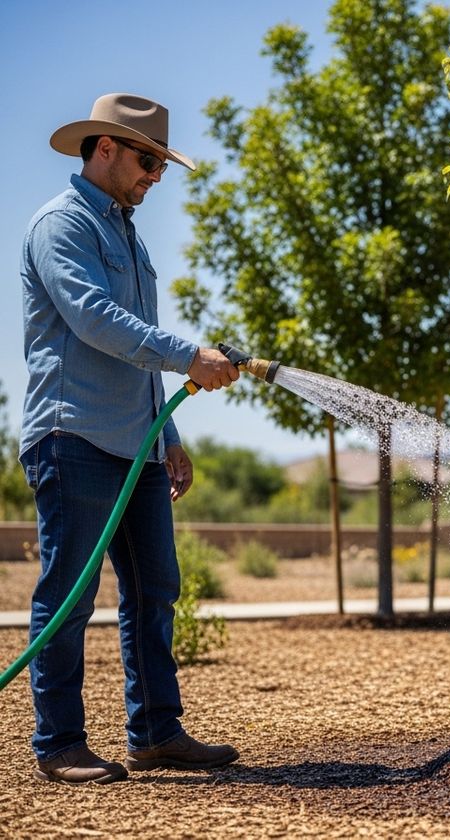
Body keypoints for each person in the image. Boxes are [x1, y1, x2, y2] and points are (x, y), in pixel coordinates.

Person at [19, 93, 241, 785]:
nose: (155, 177)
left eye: (162, 167)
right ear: (104, 148)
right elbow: (96, 321)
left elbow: (132, 354)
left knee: (154, 590)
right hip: (74, 435)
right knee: (70, 594)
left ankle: (156, 733)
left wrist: (168, 431)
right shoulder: (62, 226)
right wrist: (188, 357)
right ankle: (58, 744)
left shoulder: (128, 234)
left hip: (137, 444)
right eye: (149, 161)